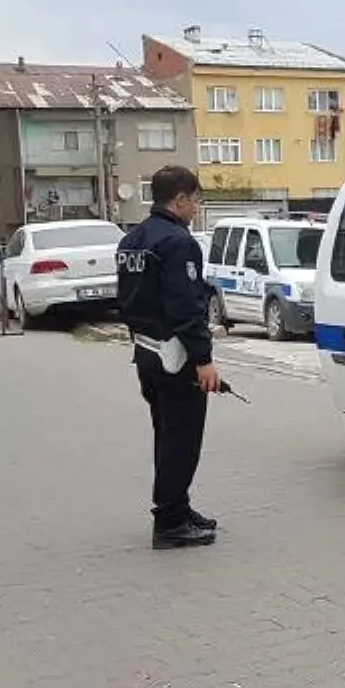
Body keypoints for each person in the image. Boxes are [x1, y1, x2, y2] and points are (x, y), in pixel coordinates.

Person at [116, 165, 220, 550]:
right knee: (182, 438)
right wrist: (204, 358)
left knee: (166, 433)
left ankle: (178, 505)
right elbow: (185, 307)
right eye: (195, 201)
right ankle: (170, 520)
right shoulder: (178, 242)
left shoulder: (133, 240)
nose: (196, 209)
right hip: (175, 354)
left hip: (145, 350)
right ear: (180, 200)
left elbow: (129, 299)